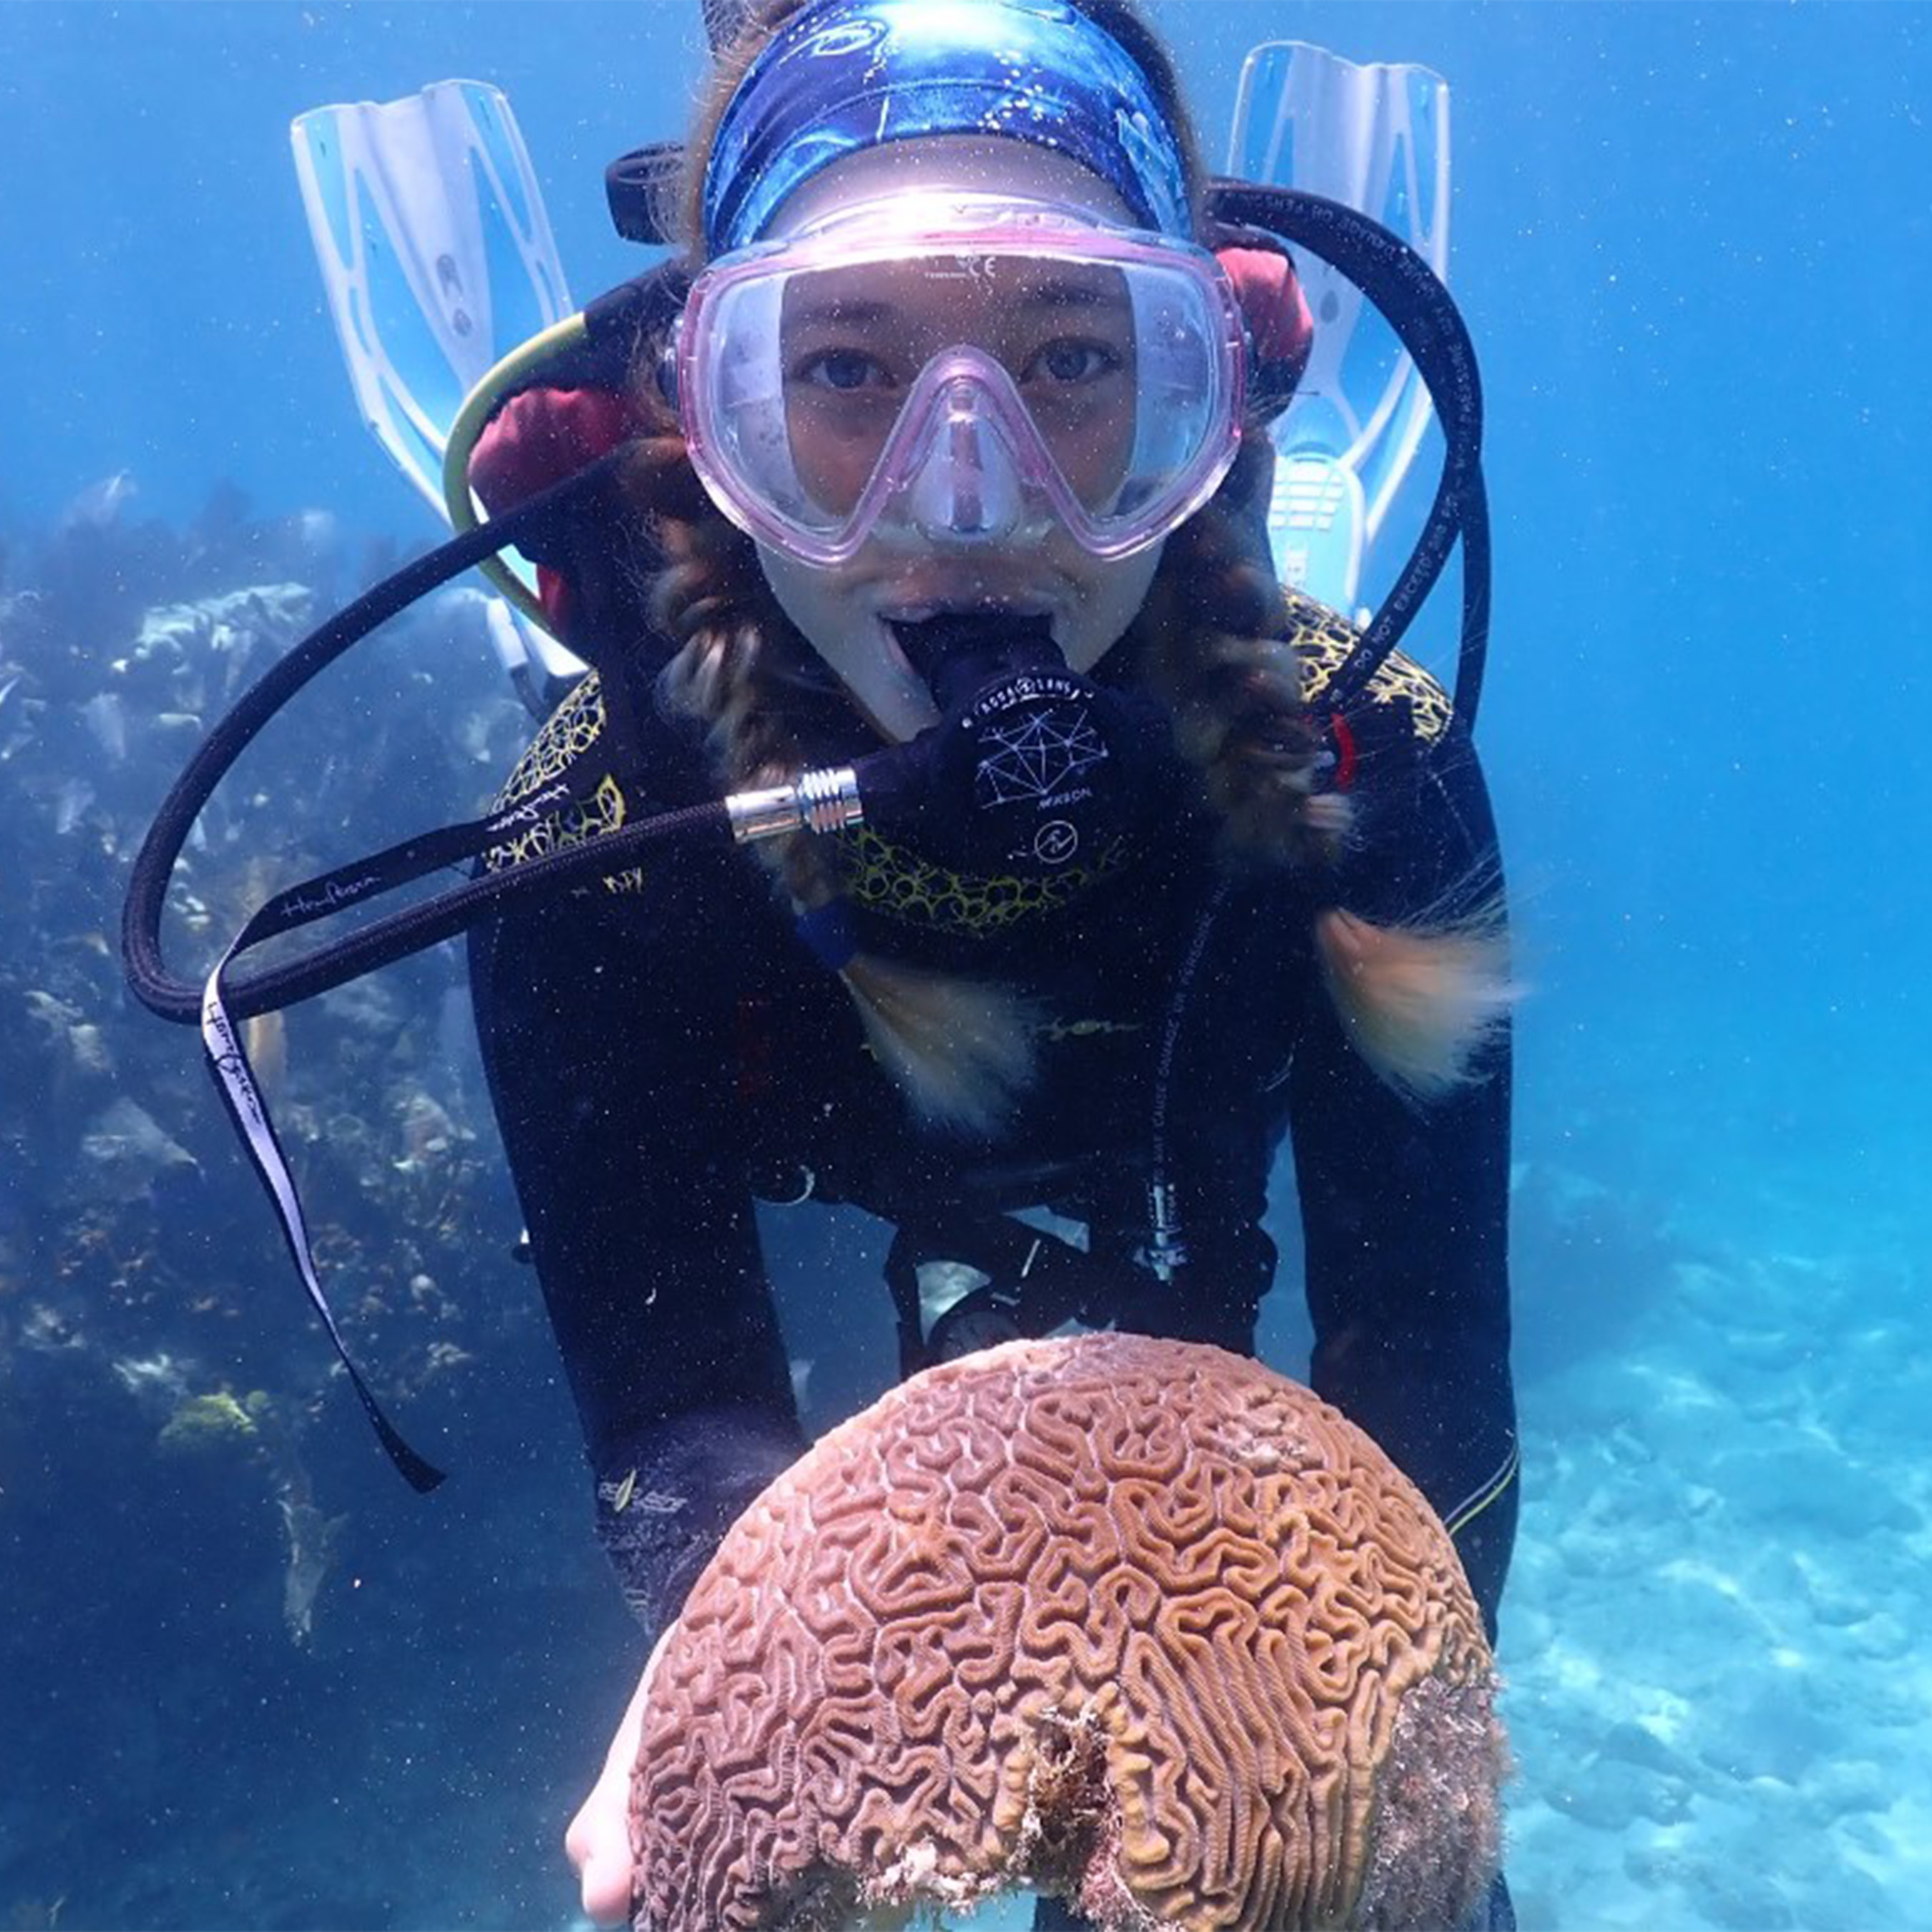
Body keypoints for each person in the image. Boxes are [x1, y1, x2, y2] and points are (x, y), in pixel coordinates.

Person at [459, 1, 1519, 1922]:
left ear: (1201, 399)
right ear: (714, 419)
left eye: (1072, 361)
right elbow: (670, 1393)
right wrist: (746, 1685)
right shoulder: (592, 849)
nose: (970, 495)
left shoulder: (1366, 762)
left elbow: (1425, 1339)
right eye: (849, 369)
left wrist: (1354, 1769)